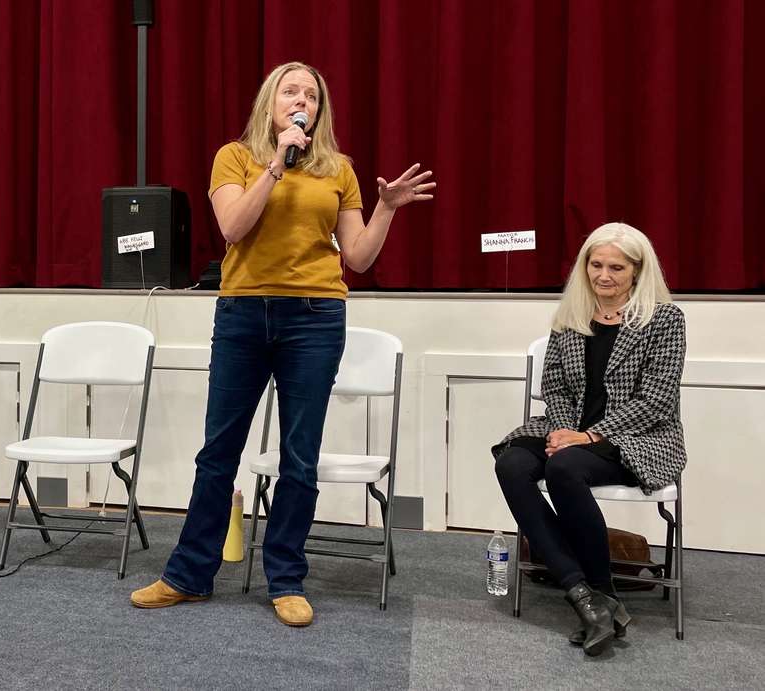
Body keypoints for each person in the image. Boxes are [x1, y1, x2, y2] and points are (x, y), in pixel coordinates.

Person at [130, 61, 434, 626]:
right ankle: (188, 575)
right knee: (218, 452)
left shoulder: (338, 169)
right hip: (244, 314)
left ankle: (287, 578)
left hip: (316, 318)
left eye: (312, 96)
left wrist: (386, 209)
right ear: (270, 103)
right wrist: (275, 165)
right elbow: (233, 229)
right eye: (291, 91)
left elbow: (359, 257)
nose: (302, 101)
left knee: (299, 456)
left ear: (321, 111)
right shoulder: (236, 158)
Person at [492, 222, 686, 656]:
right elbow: (556, 386)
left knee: (564, 467)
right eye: (595, 265)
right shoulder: (570, 318)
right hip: (569, 430)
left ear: (637, 270)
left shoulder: (665, 319)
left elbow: (655, 401)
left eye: (616, 267)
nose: (604, 275)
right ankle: (587, 596)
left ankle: (599, 589)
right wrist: (564, 431)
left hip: (637, 437)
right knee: (511, 463)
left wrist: (589, 434)